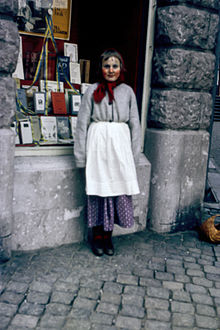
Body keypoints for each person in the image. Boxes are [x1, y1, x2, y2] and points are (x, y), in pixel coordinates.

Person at [74, 49, 141, 256]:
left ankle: (108, 237)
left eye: (114, 65)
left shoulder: (127, 92)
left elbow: (135, 124)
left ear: (121, 68)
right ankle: (97, 237)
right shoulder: (92, 91)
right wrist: (81, 155)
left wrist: (134, 154)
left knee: (115, 192)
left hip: (119, 146)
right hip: (98, 145)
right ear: (101, 68)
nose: (110, 70)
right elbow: (82, 124)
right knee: (99, 191)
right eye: (106, 65)